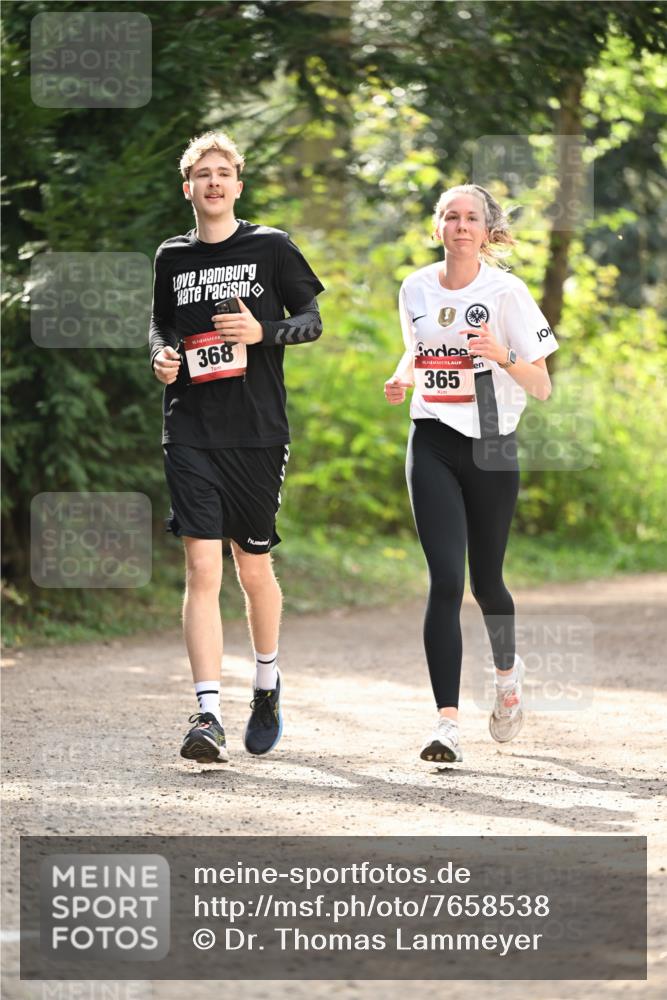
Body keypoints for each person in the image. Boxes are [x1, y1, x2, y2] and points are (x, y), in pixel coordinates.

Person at [149, 130, 324, 764]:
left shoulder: (271, 247)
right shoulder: (172, 255)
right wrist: (161, 356)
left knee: (252, 566)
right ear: (188, 187)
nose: (214, 182)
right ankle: (206, 713)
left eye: (225, 172)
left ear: (238, 186)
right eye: (203, 173)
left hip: (256, 431)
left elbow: (311, 320)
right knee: (201, 566)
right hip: (189, 426)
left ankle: (267, 683)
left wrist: (262, 330)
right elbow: (162, 322)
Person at [385, 183, 558, 763]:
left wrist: (499, 355)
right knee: (445, 581)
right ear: (437, 228)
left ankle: (508, 679)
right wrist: (402, 376)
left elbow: (542, 384)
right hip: (430, 437)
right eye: (450, 217)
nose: (460, 227)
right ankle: (446, 724)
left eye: (471, 219)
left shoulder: (506, 292)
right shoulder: (414, 287)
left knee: (487, 584)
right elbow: (418, 350)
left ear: (487, 231)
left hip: (491, 442)